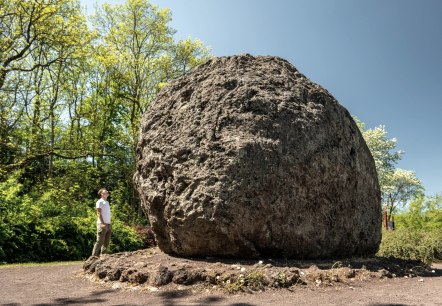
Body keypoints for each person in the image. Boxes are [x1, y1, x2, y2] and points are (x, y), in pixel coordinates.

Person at [92, 188, 112, 256]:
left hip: (108, 224)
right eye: (105, 192)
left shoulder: (107, 202)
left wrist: (108, 223)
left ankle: (103, 256)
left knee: (106, 242)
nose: (107, 193)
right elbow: (99, 213)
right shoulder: (99, 202)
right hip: (102, 224)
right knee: (100, 241)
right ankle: (93, 257)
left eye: (107, 192)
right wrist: (102, 223)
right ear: (102, 194)